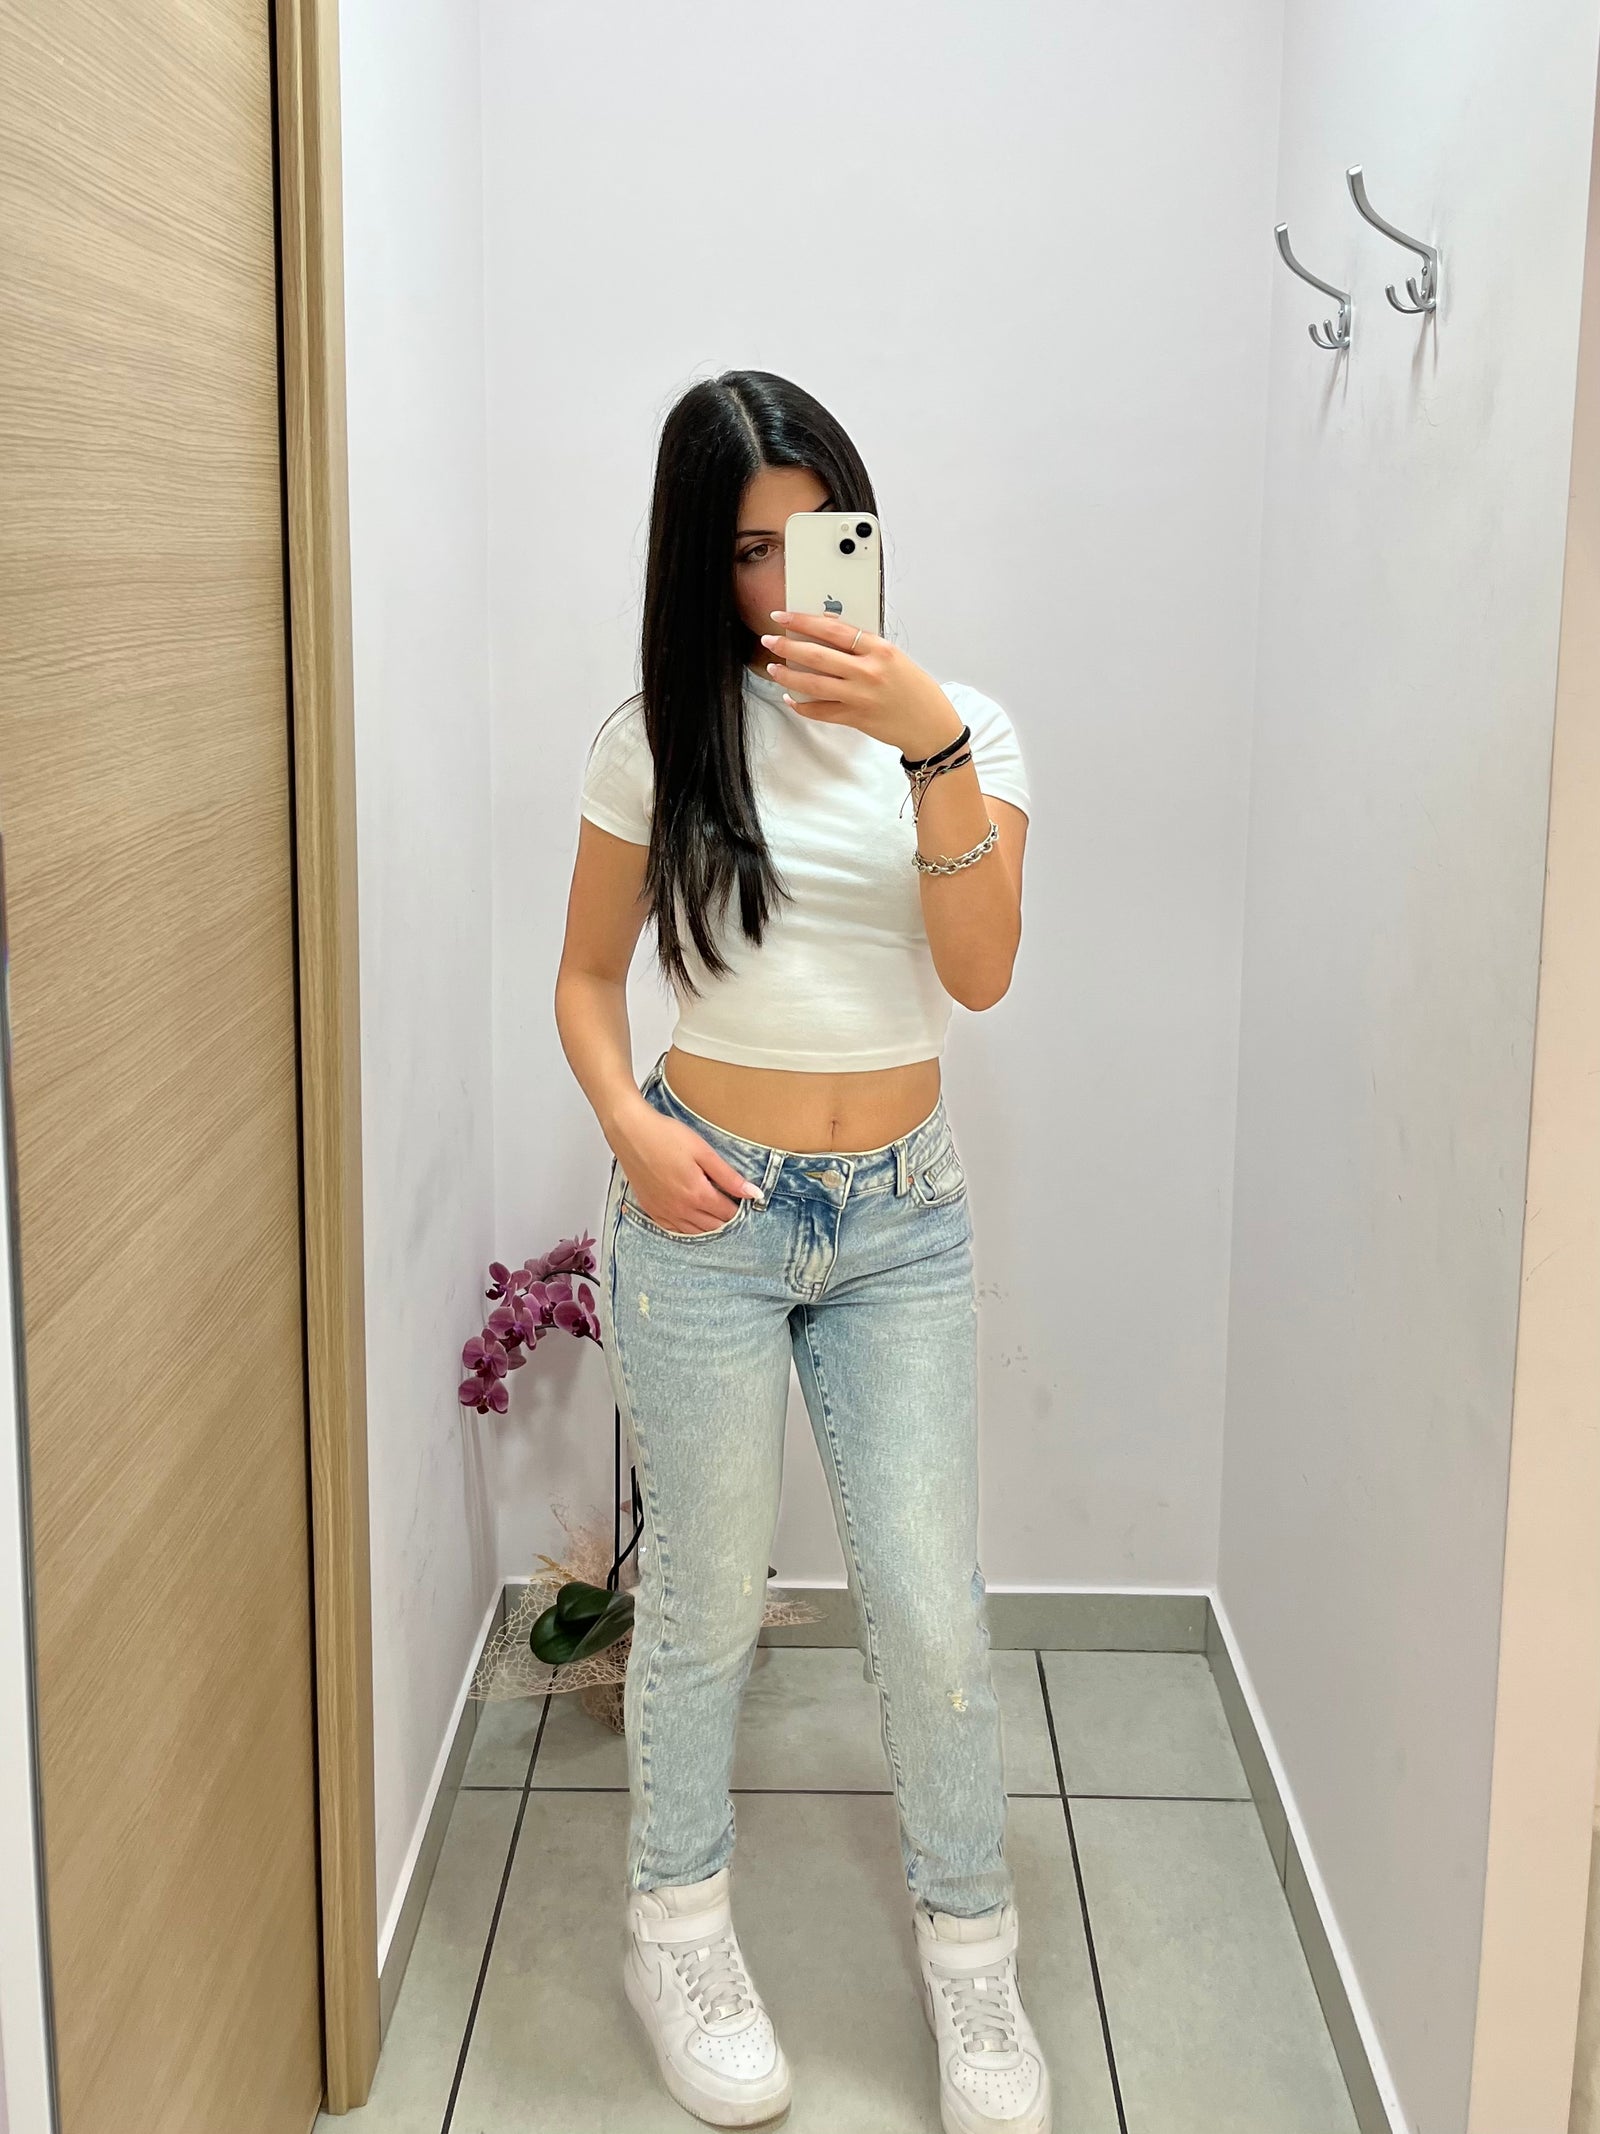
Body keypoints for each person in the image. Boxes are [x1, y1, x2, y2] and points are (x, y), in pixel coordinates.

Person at [554, 368, 1049, 2134]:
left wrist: (926, 744)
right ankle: (675, 1929)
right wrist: (632, 1127)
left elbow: (980, 972)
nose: (787, 583)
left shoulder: (967, 725)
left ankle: (973, 1957)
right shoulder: (656, 739)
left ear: (865, 529)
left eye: (820, 535)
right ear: (703, 565)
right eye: (749, 552)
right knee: (705, 1603)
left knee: (926, 1603)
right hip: (707, 1212)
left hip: (903, 1218)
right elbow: (588, 980)